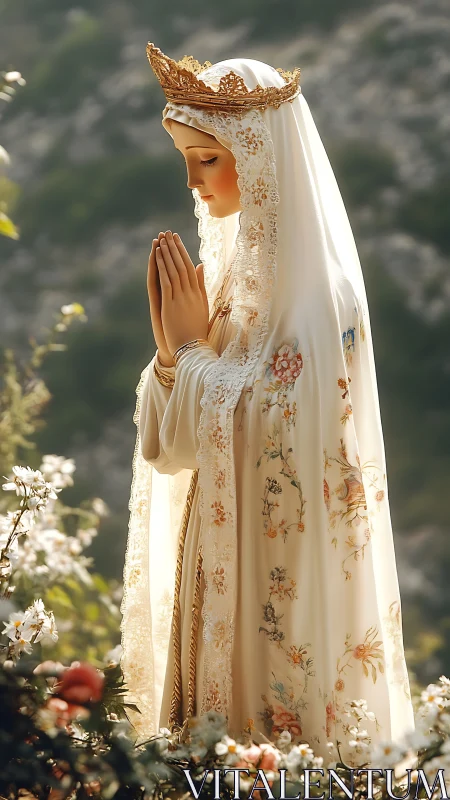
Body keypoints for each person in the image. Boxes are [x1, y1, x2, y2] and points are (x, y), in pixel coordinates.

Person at [120, 43, 415, 765]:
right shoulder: (238, 288)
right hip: (220, 558)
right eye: (186, 159)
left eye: (208, 158)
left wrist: (192, 355)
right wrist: (172, 359)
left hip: (281, 583)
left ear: (258, 157)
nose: (192, 180)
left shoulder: (322, 298)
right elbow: (179, 450)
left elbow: (294, 435)